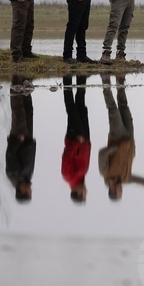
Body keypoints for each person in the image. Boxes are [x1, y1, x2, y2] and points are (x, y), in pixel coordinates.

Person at [98, 73, 144, 200]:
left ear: (112, 190)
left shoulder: (105, 173)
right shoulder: (126, 178)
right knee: (124, 106)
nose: (121, 189)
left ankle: (105, 81)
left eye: (119, 192)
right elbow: (142, 182)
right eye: (121, 192)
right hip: (130, 138)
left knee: (113, 109)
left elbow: (102, 154)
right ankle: (120, 80)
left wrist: (116, 148)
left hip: (116, 137)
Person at [5, 75, 36, 203]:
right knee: (28, 110)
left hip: (19, 136)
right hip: (27, 138)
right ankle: (24, 83)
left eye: (28, 192)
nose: (30, 190)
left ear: (22, 191)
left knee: (18, 110)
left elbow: (10, 154)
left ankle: (16, 80)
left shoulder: (13, 175)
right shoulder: (27, 177)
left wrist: (18, 141)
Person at [61, 74, 91, 203]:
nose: (86, 191)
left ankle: (67, 77)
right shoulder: (81, 177)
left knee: (72, 109)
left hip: (75, 138)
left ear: (78, 192)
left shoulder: (69, 177)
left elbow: (67, 157)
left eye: (84, 194)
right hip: (84, 139)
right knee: (81, 105)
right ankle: (81, 76)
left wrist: (76, 143)